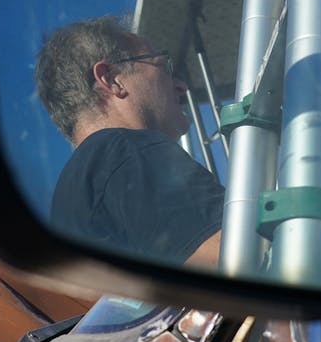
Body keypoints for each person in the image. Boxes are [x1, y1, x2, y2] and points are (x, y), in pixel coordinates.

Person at [35, 16, 223, 267]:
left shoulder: (71, 199)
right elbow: (231, 260)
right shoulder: (131, 151)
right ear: (111, 80)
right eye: (164, 67)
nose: (181, 86)